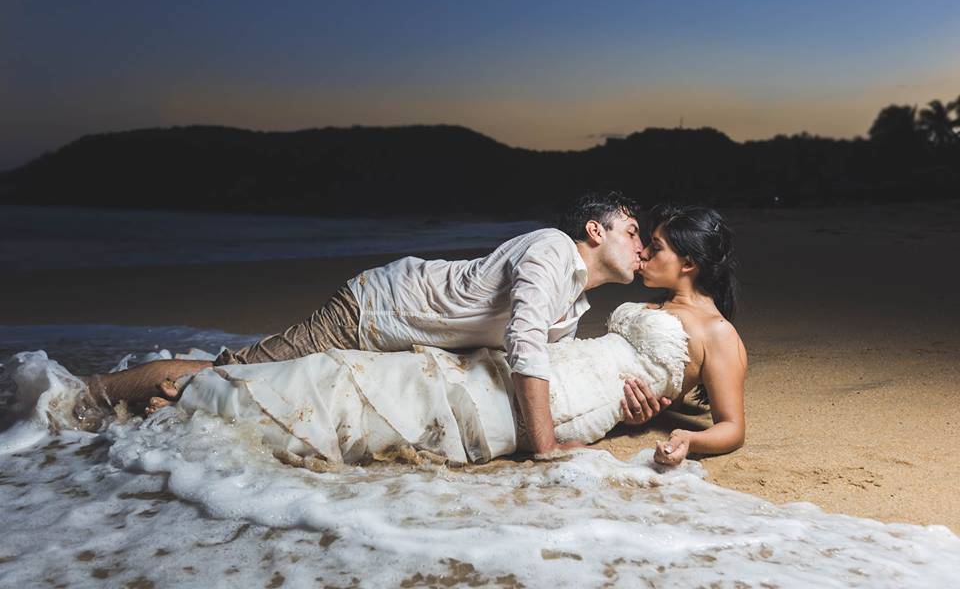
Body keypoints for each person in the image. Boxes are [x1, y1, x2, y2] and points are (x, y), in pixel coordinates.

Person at [88, 191, 668, 457]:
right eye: (632, 232)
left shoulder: (573, 305)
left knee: (256, 386)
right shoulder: (549, 248)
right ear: (596, 230)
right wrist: (544, 447)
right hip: (375, 311)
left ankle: (170, 410)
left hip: (409, 339)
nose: (641, 247)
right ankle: (88, 397)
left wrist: (626, 402)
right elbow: (523, 345)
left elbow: (547, 356)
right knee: (236, 370)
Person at [621, 204, 747, 466]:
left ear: (688, 263)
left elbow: (733, 428)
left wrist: (689, 438)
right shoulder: (656, 305)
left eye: (655, 248)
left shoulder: (717, 332)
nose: (642, 252)